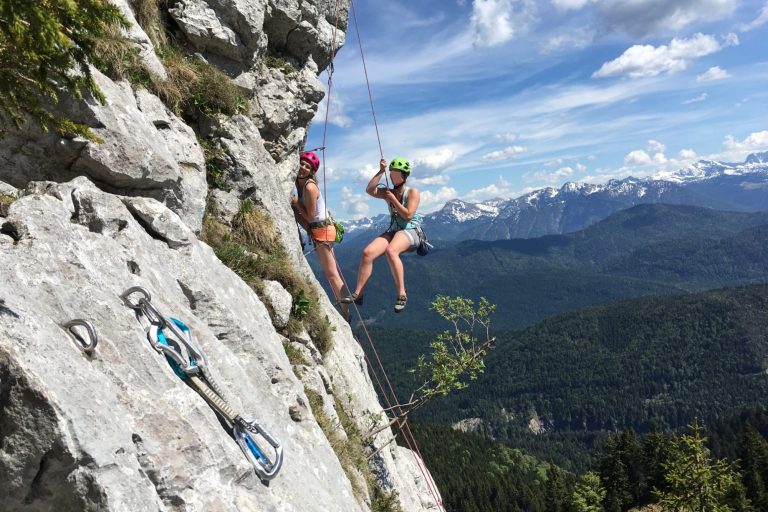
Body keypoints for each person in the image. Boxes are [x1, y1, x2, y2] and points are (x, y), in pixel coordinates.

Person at [341, 157, 421, 313]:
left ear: (404, 176)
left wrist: (394, 200)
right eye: (392, 173)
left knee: (391, 251)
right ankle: (358, 293)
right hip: (396, 230)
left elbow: (409, 215)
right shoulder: (388, 192)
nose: (393, 176)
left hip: (411, 230)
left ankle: (402, 294)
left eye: (396, 173)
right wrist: (380, 171)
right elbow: (370, 190)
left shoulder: (412, 192)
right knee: (367, 253)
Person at [291, 151, 349, 320]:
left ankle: (346, 313)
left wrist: (295, 203)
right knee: (333, 272)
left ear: (311, 171)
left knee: (332, 274)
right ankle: (346, 308)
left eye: (307, 167)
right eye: (301, 163)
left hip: (322, 231)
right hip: (320, 229)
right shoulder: (298, 182)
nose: (303, 168)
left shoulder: (309, 187)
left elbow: (309, 216)